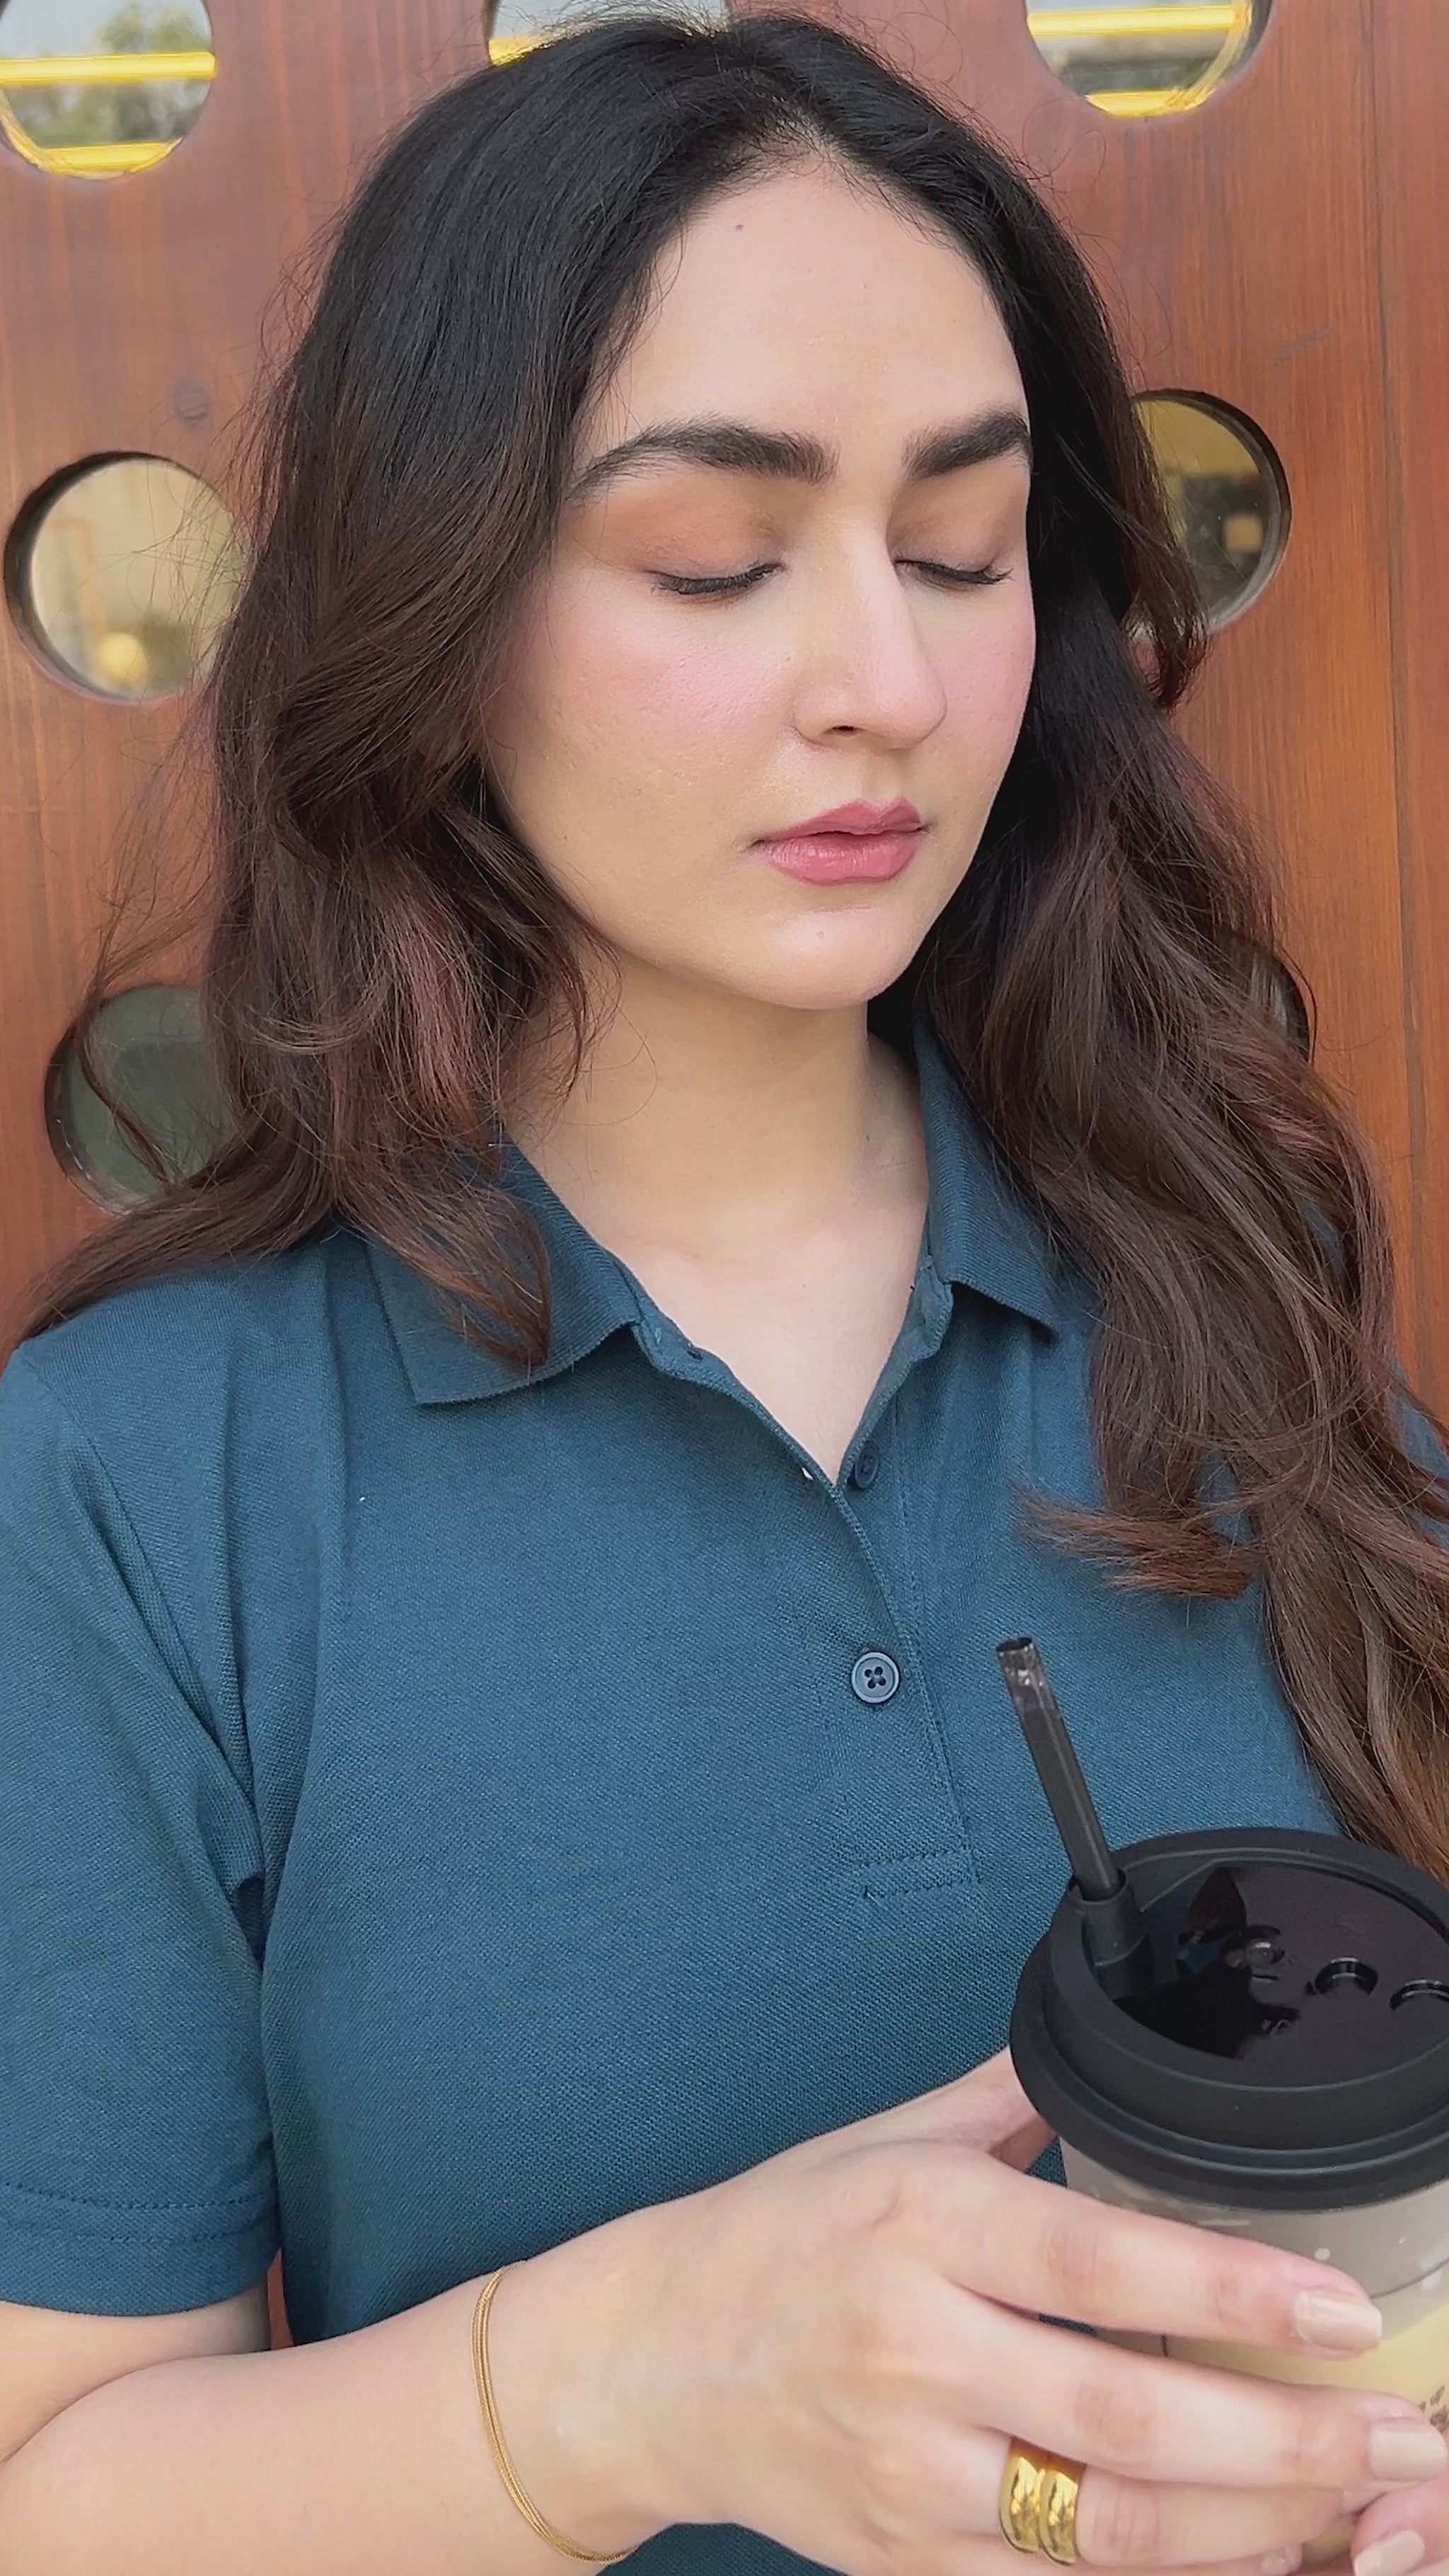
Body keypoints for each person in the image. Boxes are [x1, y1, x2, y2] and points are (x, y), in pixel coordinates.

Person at [3, 11, 1449, 2572]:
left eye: (966, 549)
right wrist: (636, 2385)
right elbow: (49, 2483)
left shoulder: (1240, 1269)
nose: (883, 679)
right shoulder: (141, 1482)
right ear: (433, 602)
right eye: (713, 557)